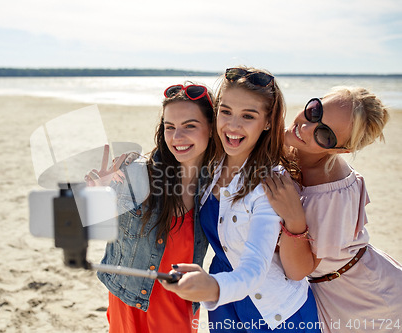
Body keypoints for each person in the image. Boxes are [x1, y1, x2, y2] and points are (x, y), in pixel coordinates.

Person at [162, 67, 320, 332]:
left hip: (276, 313)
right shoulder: (212, 164)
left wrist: (213, 287)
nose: (232, 126)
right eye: (226, 112)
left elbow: (255, 268)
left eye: (248, 116)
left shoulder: (269, 184)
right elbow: (173, 147)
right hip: (226, 308)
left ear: (268, 122)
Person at [263, 86, 402, 333]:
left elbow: (298, 270)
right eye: (315, 111)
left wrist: (294, 217)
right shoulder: (298, 149)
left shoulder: (331, 192)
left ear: (342, 149)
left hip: (366, 297)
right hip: (336, 284)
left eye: (324, 134)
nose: (306, 127)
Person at [85, 82, 216, 332]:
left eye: (190, 126)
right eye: (170, 127)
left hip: (181, 307)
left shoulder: (215, 185)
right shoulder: (135, 174)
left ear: (211, 128)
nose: (177, 137)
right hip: (131, 304)